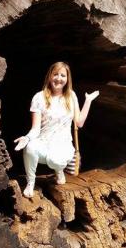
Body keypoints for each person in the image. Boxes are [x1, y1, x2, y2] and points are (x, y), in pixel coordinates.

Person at [14, 61, 99, 198]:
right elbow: (35, 129)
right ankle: (31, 182)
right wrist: (27, 137)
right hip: (44, 142)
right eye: (55, 74)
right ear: (49, 76)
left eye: (63, 75)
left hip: (63, 144)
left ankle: (59, 171)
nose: (59, 78)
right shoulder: (39, 97)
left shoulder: (71, 96)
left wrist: (88, 101)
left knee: (55, 161)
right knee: (29, 147)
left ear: (67, 79)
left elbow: (79, 123)